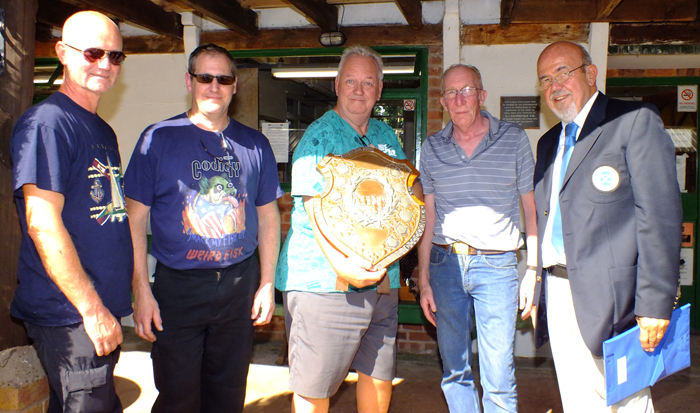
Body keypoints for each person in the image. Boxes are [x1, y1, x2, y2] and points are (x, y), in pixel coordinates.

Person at [521, 41, 682, 412]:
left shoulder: (632, 121)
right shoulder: (548, 143)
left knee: (625, 400)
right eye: (545, 79)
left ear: (590, 73)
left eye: (563, 72)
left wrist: (656, 303)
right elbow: (548, 221)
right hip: (559, 293)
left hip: (616, 300)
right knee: (578, 398)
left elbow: (659, 215)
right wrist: (536, 275)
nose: (554, 86)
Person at [124, 44, 283, 413]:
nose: (214, 86)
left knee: (227, 396)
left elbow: (269, 216)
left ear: (235, 85)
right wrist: (141, 291)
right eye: (205, 77)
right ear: (189, 82)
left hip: (238, 287)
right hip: (177, 289)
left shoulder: (255, 144)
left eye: (223, 78)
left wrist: (266, 283)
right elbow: (135, 219)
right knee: (178, 396)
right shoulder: (157, 138)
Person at [10, 11, 131, 412]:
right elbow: (41, 222)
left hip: (95, 312)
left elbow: (109, 215)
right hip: (70, 314)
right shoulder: (49, 123)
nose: (105, 65)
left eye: (115, 57)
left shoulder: (100, 128)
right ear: (62, 52)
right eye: (94, 53)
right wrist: (92, 309)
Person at [275, 45, 406, 413]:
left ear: (380, 90)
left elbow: (401, 203)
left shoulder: (386, 136)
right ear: (336, 84)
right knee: (315, 389)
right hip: (325, 282)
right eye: (351, 80)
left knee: (379, 378)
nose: (358, 90)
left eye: (368, 82)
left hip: (383, 280)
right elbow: (313, 207)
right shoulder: (319, 137)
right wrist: (341, 265)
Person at [416, 64, 537, 412]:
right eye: (451, 93)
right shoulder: (432, 148)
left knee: (498, 375)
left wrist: (533, 270)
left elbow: (531, 209)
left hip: (497, 266)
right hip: (445, 265)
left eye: (467, 90)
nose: (459, 99)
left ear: (482, 96)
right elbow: (429, 217)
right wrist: (424, 279)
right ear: (442, 101)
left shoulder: (513, 138)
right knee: (454, 370)